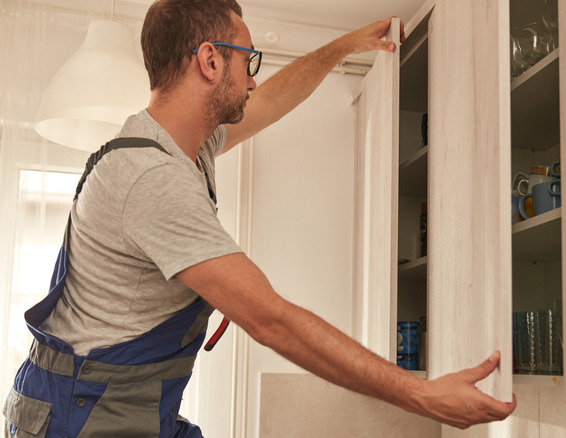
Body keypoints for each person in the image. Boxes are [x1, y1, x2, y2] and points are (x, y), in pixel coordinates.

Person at [3, 0, 517, 436]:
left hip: (114, 403)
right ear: (209, 60)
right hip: (80, 416)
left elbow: (270, 101)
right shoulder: (151, 177)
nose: (253, 80)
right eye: (248, 60)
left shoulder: (184, 148)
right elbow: (272, 321)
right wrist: (421, 396)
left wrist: (340, 48)